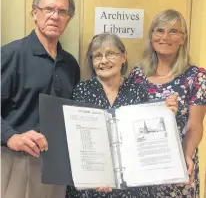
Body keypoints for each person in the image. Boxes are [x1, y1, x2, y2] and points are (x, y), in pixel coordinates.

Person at [66, 32, 178, 198]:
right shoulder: (81, 91)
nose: (103, 61)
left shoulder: (138, 91)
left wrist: (166, 114)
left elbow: (147, 138)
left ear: (123, 56)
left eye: (110, 53)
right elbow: (76, 142)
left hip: (132, 185)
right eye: (97, 56)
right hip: (92, 185)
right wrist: (93, 177)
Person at [1, 0, 80, 198]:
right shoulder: (10, 55)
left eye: (62, 11)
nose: (55, 16)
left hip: (57, 165)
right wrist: (10, 137)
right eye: (48, 9)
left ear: (69, 19)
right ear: (35, 13)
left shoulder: (70, 65)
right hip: (15, 160)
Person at [129, 9, 206, 198]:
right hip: (142, 165)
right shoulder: (137, 75)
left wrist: (186, 156)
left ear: (183, 38)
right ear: (151, 36)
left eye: (173, 31)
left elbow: (195, 125)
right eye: (159, 30)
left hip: (176, 166)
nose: (165, 37)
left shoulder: (195, 76)